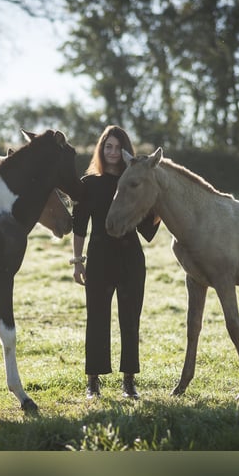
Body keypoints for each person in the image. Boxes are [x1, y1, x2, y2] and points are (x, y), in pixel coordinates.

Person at [70, 125, 160, 399]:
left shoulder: (134, 182)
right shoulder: (88, 184)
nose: (111, 152)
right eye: (107, 147)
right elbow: (79, 225)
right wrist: (77, 261)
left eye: (116, 147)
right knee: (96, 319)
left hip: (130, 257)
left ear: (125, 152)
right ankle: (93, 382)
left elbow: (148, 230)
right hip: (98, 257)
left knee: (130, 320)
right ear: (101, 149)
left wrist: (157, 201)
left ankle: (129, 381)